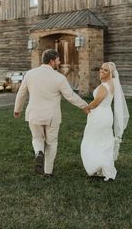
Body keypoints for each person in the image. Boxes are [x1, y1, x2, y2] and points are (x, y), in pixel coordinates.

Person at [14, 49, 89, 177]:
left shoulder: (30, 74)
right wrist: (85, 106)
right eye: (58, 60)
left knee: (37, 138)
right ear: (52, 61)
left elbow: (21, 93)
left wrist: (17, 109)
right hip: (51, 116)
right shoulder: (59, 78)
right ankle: (48, 171)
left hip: (34, 114)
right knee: (51, 142)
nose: (59, 63)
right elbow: (70, 96)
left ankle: (38, 152)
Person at [81, 62, 129, 181]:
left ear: (110, 73)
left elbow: (96, 102)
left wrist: (86, 107)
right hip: (107, 114)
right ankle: (104, 168)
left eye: (105, 70)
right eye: (101, 69)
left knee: (92, 140)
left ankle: (97, 165)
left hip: (99, 115)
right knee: (103, 141)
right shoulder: (112, 84)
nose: (101, 71)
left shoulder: (104, 87)